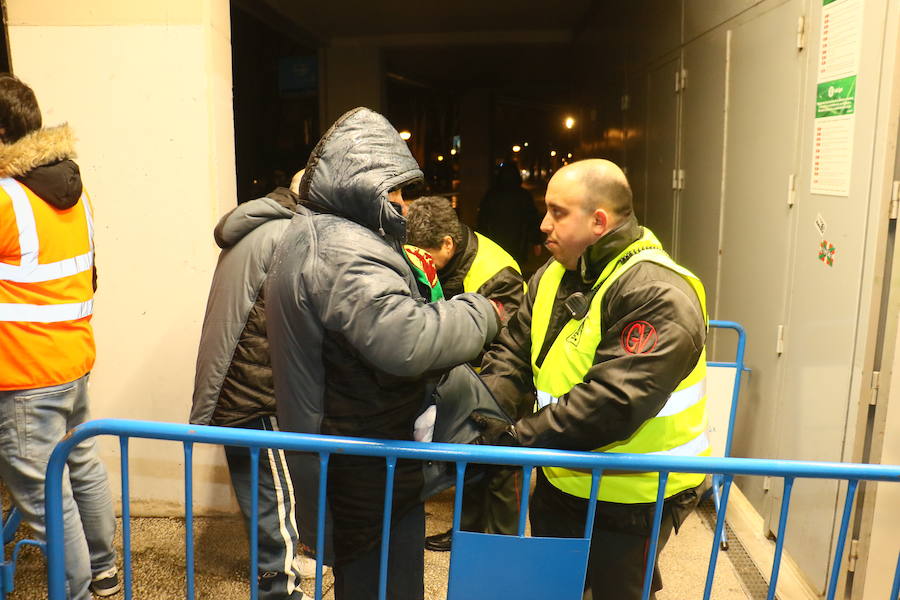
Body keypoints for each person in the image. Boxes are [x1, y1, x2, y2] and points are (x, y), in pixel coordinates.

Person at [265, 107, 500, 600]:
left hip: (356, 450)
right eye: (392, 191)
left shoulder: (321, 234)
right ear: (360, 184)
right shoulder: (343, 248)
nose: (401, 204)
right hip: (364, 460)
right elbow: (407, 340)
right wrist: (481, 312)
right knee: (382, 582)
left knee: (366, 576)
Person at [474, 159, 708, 599]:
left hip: (635, 495)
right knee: (555, 587)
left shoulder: (657, 291)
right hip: (563, 478)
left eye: (557, 212)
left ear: (598, 221)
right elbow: (513, 351)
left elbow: (612, 402)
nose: (543, 225)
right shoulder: (556, 272)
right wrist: (484, 412)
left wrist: (510, 441)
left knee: (615, 592)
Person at [0, 74, 120, 598]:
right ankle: (105, 571)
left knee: (48, 500)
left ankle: (70, 592)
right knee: (81, 465)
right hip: (71, 359)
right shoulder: (73, 190)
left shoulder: (6, 199)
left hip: (23, 371)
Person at [190, 176, 313, 600]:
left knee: (256, 480)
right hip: (255, 381)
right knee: (272, 488)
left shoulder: (260, 223)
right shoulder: (290, 233)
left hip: (233, 376)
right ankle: (279, 585)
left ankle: (273, 569)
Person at [405, 196, 525, 551]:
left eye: (427, 255)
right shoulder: (438, 263)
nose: (421, 263)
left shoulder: (496, 272)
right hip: (461, 381)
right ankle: (467, 536)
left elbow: (508, 345)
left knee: (502, 467)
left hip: (497, 383)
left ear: (448, 243)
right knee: (468, 464)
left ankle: (505, 547)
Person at [476, 162, 542, 269]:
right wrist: (536, 241)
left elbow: (482, 220)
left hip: (495, 241)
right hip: (518, 242)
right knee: (516, 269)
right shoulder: (523, 195)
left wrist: (481, 242)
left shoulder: (491, 195)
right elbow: (532, 219)